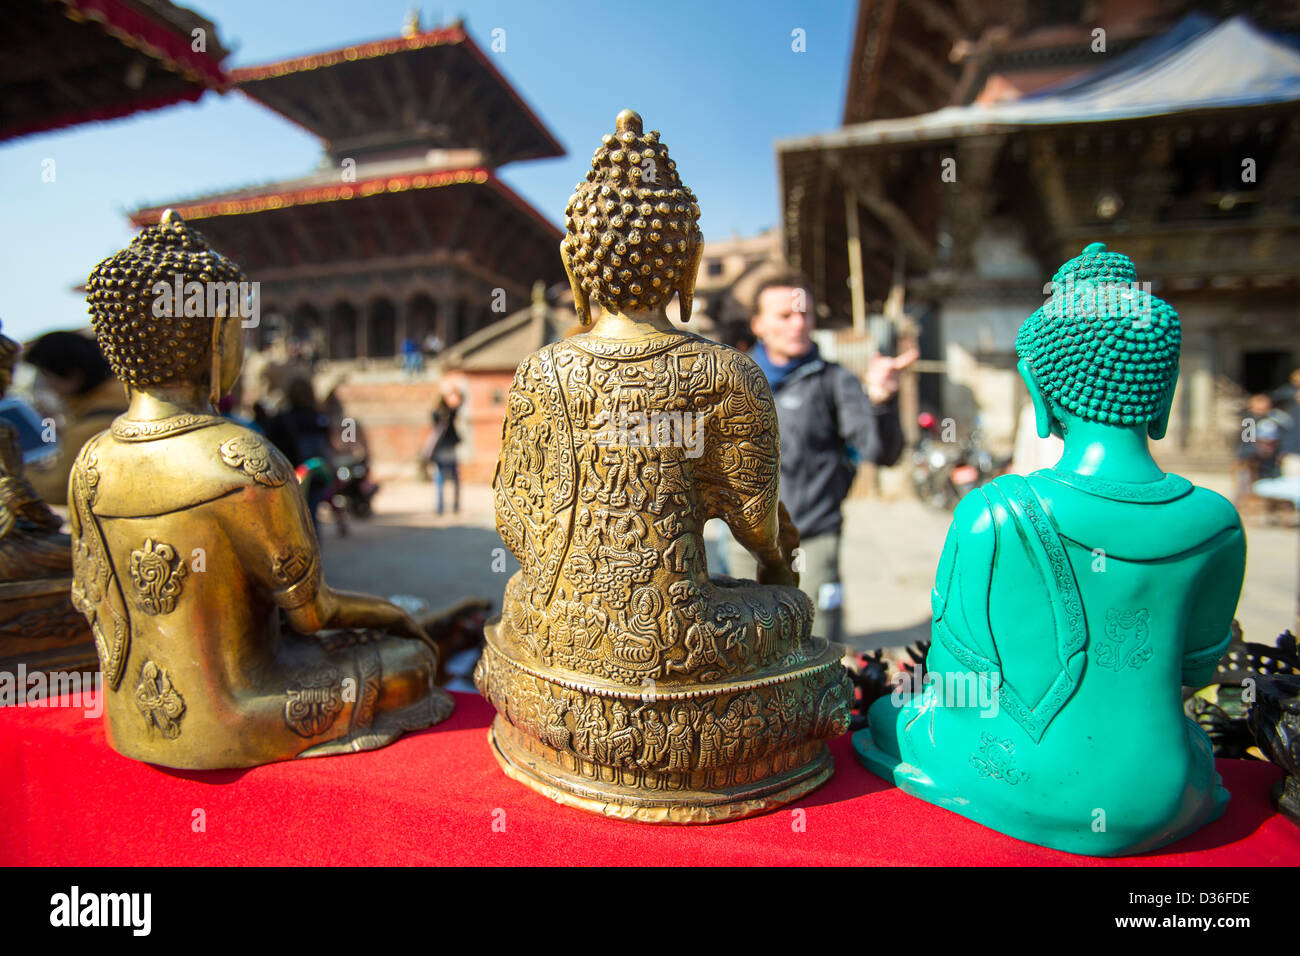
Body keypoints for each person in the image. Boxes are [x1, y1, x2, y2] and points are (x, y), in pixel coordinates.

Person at [725, 273, 912, 644]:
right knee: (749, 644)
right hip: (743, 540)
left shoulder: (834, 381)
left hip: (811, 538)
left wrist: (881, 402)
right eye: (785, 316)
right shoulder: (734, 379)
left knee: (813, 643)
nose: (799, 324)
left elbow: (882, 453)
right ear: (758, 324)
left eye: (805, 314)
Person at [22, 330, 128, 505]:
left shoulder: (86, 430)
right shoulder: (129, 396)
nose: (48, 386)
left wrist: (16, 468)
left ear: (72, 375)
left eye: (46, 376)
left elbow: (57, 492)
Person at [424, 385, 462, 515]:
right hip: (446, 449)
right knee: (451, 479)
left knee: (442, 479)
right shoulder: (446, 413)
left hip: (443, 449)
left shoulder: (441, 413)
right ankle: (451, 506)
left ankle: (443, 507)